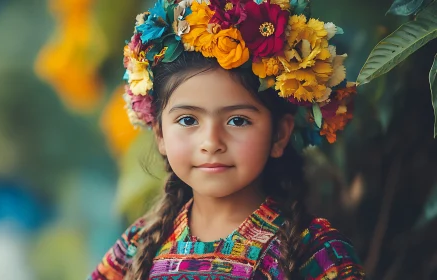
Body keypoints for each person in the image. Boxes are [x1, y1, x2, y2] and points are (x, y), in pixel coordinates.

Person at [90, 0, 364, 279]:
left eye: (238, 121)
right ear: (160, 134)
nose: (211, 142)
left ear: (279, 134)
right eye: (188, 120)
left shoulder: (318, 254)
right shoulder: (136, 247)